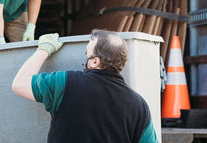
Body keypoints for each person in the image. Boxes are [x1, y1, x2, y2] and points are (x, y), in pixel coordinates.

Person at [12, 30, 158, 143]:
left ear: (95, 62)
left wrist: (43, 50)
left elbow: (19, 84)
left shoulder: (65, 83)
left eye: (86, 54)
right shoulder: (138, 105)